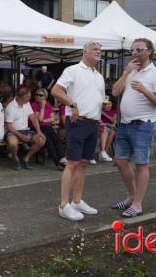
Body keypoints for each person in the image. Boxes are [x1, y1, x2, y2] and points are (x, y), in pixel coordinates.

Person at [111, 38, 156, 218]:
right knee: (120, 161)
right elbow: (114, 92)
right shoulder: (131, 71)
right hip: (124, 124)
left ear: (149, 51)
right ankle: (131, 196)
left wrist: (145, 90)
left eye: (139, 49)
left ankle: (137, 204)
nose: (135, 53)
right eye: (133, 49)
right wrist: (126, 72)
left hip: (143, 125)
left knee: (141, 164)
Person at [52, 41, 105, 221]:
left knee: (83, 163)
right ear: (84, 52)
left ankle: (77, 201)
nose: (98, 51)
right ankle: (63, 205)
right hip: (77, 122)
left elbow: (94, 98)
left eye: (100, 49)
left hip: (93, 123)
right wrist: (72, 104)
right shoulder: (72, 70)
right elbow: (56, 91)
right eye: (95, 49)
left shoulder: (99, 76)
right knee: (72, 163)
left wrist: (102, 112)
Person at [5, 88, 46, 170]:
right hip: (13, 131)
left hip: (25, 130)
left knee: (41, 140)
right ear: (21, 97)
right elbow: (9, 126)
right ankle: (15, 159)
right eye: (28, 96)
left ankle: (26, 158)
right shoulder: (10, 107)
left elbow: (33, 118)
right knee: (13, 143)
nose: (30, 98)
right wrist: (21, 136)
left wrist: (39, 132)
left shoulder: (26, 103)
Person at [31, 88, 66, 169]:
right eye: (36, 95)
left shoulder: (48, 104)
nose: (38, 96)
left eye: (40, 95)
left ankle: (62, 158)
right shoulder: (34, 105)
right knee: (48, 141)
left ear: (45, 97)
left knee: (56, 139)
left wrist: (44, 120)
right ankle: (58, 161)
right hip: (37, 128)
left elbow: (52, 118)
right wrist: (42, 107)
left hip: (47, 126)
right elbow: (39, 119)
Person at [99, 96, 117, 162]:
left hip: (110, 127)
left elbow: (113, 120)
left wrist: (103, 113)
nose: (109, 105)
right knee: (105, 129)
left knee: (112, 132)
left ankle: (105, 152)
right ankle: (103, 152)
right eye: (107, 104)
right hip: (101, 127)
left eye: (110, 104)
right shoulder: (99, 110)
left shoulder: (114, 111)